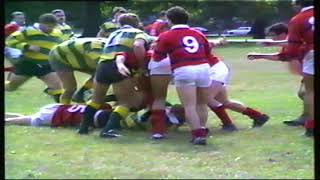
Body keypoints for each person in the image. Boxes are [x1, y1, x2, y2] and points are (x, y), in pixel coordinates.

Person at [77, 13, 153, 138]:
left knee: (96, 99)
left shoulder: (114, 33)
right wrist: (141, 65)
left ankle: (83, 127)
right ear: (137, 23)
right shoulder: (138, 33)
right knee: (126, 102)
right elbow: (138, 45)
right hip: (119, 65)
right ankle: (108, 130)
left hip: (102, 65)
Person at [152, 6, 212, 145]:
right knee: (201, 104)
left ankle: (197, 135)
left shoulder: (166, 35)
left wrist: (155, 48)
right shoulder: (198, 33)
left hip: (184, 69)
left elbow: (157, 58)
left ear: (169, 20)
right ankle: (202, 130)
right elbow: (208, 52)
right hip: (203, 67)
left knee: (189, 106)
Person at [247, 22, 307, 127]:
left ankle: (306, 118)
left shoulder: (296, 39)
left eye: (274, 36)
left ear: (283, 33)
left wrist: (273, 43)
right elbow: (282, 57)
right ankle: (306, 118)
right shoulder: (287, 45)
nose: (273, 38)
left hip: (310, 71)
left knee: (305, 93)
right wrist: (259, 56)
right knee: (304, 93)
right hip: (308, 72)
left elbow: (296, 44)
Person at [5, 13, 64, 102]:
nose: (50, 29)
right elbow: (10, 40)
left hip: (46, 65)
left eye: (53, 27)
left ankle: (62, 110)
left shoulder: (58, 33)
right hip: (27, 64)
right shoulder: (27, 31)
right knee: (11, 87)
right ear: (41, 23)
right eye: (48, 26)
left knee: (58, 87)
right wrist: (27, 46)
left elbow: (60, 45)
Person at [48, 37, 107, 104]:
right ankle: (63, 108)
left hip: (80, 58)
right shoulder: (97, 48)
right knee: (70, 88)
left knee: (101, 75)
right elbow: (103, 68)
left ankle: (81, 95)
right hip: (59, 56)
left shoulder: (109, 48)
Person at [286, 0, 314, 137]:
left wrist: (292, 58)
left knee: (310, 92)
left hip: (312, 53)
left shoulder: (298, 19)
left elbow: (293, 43)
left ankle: (311, 127)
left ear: (298, 4)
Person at [5, 103, 112, 128]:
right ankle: (7, 122)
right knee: (31, 120)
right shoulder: (99, 121)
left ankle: (8, 116)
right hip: (55, 115)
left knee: (28, 117)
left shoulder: (103, 107)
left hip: (60, 107)